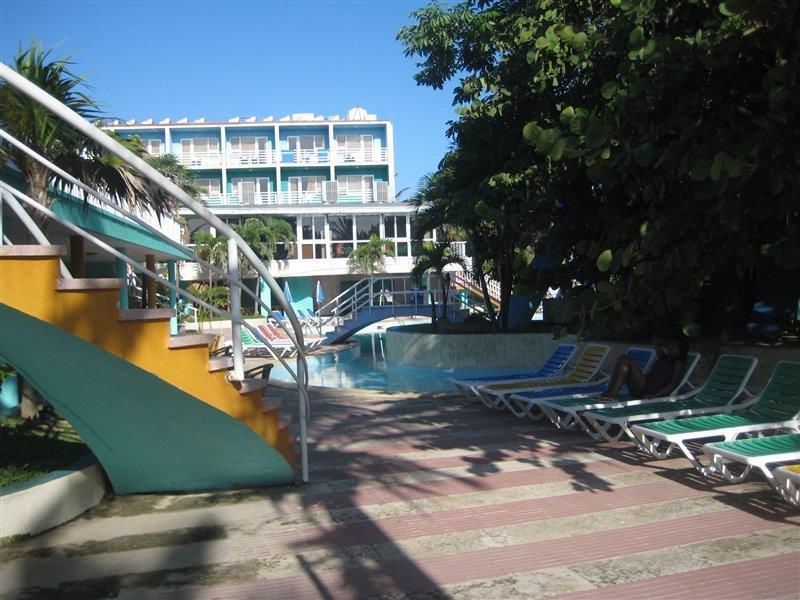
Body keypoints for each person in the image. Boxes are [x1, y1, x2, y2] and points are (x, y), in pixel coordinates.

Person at [601, 332, 688, 399]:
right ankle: (611, 390)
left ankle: (613, 393)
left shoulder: (678, 362)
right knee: (622, 359)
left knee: (625, 360)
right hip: (643, 385)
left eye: (674, 347)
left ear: (680, 350)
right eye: (670, 346)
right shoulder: (664, 357)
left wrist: (654, 395)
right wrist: (669, 344)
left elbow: (673, 383)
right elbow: (655, 340)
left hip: (648, 389)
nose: (669, 348)